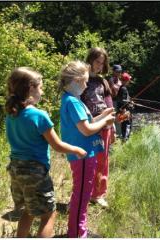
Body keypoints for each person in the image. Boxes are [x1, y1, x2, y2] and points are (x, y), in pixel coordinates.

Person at [5, 67, 87, 238]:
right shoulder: (39, 116)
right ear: (30, 88)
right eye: (40, 87)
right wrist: (77, 149)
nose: (42, 91)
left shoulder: (11, 115)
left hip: (15, 170)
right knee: (49, 214)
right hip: (35, 172)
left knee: (28, 210)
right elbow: (57, 146)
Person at [59, 60, 115, 238]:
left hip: (83, 154)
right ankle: (76, 233)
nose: (86, 84)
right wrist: (105, 123)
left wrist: (103, 115)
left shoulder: (73, 100)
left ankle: (79, 229)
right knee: (82, 195)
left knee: (83, 193)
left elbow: (88, 122)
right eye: (84, 81)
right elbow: (87, 130)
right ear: (75, 80)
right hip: (82, 156)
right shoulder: (74, 102)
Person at [81, 47, 113, 208]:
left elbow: (109, 104)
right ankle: (85, 192)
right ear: (90, 60)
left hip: (105, 126)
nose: (99, 65)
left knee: (103, 161)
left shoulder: (103, 81)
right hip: (88, 126)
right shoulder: (82, 79)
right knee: (88, 160)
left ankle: (98, 194)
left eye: (102, 63)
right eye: (97, 62)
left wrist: (112, 125)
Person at [116, 72, 134, 141]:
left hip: (123, 112)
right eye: (128, 80)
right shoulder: (123, 89)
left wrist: (130, 100)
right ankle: (125, 141)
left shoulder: (123, 88)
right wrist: (129, 102)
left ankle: (125, 139)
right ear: (125, 81)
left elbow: (123, 99)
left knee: (125, 127)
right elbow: (122, 101)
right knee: (127, 126)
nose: (129, 81)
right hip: (124, 112)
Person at [108, 64, 123, 138]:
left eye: (120, 71)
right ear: (113, 71)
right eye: (117, 71)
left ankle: (119, 136)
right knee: (114, 120)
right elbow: (113, 92)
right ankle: (114, 137)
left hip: (119, 103)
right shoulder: (111, 80)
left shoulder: (120, 81)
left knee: (120, 119)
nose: (119, 73)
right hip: (113, 102)